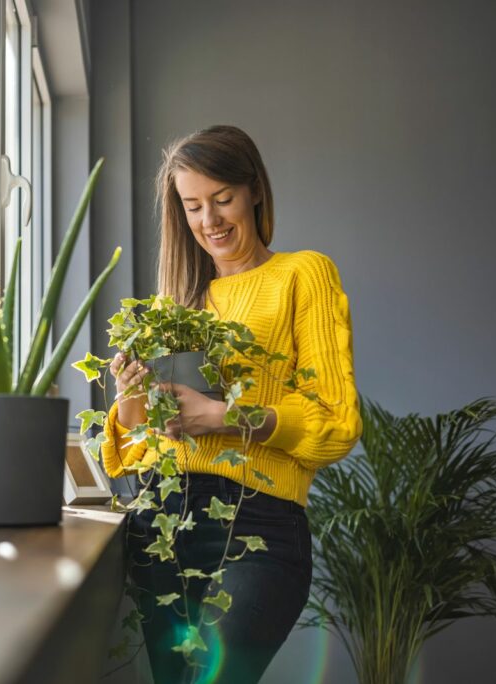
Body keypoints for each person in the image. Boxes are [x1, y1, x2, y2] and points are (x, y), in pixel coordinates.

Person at [102, 125, 362, 684]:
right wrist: (129, 397)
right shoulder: (173, 306)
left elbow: (337, 426)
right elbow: (135, 447)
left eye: (222, 200)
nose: (210, 221)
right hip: (162, 520)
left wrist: (220, 416)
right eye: (193, 206)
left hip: (260, 522)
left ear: (254, 192)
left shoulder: (302, 275)